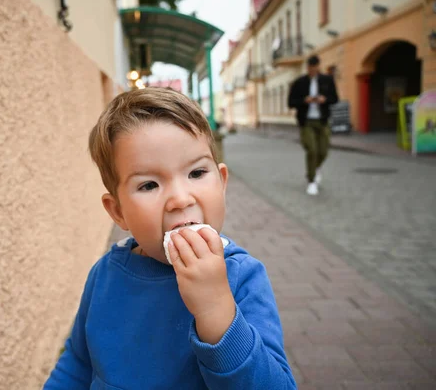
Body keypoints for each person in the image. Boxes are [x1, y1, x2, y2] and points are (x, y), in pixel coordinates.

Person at [44, 88, 296, 389]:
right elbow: (77, 362)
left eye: (196, 173)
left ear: (222, 182)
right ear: (118, 212)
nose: (179, 199)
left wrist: (216, 310)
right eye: (149, 185)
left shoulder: (242, 277)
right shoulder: (104, 275)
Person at [288, 55, 339, 196]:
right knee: (311, 149)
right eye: (310, 68)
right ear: (307, 67)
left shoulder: (327, 80)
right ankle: (311, 181)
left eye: (315, 68)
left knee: (323, 151)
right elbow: (291, 102)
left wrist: (325, 99)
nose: (313, 70)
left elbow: (335, 99)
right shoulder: (299, 82)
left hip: (322, 121)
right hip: (306, 121)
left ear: (318, 67)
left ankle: (315, 169)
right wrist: (305, 100)